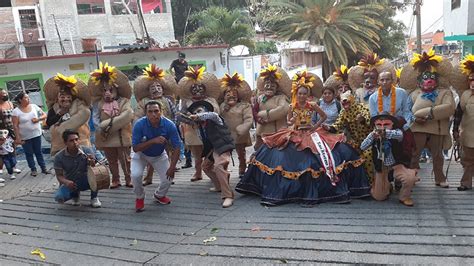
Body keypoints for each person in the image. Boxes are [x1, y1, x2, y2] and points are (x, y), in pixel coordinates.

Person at [236, 72, 370, 206]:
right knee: (281, 153)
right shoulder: (292, 106)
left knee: (324, 153)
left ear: (308, 94)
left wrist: (315, 126)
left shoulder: (312, 105)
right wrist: (292, 121)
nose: (302, 96)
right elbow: (288, 121)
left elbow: (323, 117)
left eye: (304, 93)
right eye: (299, 93)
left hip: (311, 132)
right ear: (296, 94)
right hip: (296, 132)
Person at [400, 49, 455, 188]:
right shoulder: (413, 94)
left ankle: (439, 178)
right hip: (417, 128)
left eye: (431, 78)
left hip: (437, 129)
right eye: (424, 78)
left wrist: (427, 112)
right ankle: (412, 177)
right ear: (419, 82)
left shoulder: (445, 92)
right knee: (415, 155)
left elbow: (449, 108)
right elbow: (407, 111)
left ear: (437, 80)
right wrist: (414, 118)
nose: (428, 80)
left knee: (437, 156)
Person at [131, 101, 182, 212]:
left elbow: (177, 146)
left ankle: (159, 195)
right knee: (136, 175)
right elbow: (135, 148)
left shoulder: (169, 125)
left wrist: (172, 167)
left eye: (156, 111)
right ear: (146, 113)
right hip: (141, 154)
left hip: (158, 155)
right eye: (150, 111)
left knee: (168, 178)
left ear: (161, 112)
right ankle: (140, 197)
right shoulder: (139, 124)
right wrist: (153, 141)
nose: (154, 114)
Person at [90, 62, 134, 189]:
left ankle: (128, 178)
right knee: (111, 160)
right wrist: (102, 128)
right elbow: (95, 119)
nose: (107, 93)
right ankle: (115, 179)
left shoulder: (124, 101)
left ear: (116, 90)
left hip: (122, 136)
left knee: (126, 159)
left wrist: (111, 124)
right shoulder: (98, 104)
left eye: (110, 90)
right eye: (104, 90)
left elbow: (127, 115)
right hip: (106, 137)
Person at [360, 113, 418, 206]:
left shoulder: (397, 132)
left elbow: (399, 135)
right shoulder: (373, 134)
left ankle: (404, 196)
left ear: (392, 124)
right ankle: (387, 186)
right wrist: (371, 136)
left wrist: (385, 132)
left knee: (409, 178)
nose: (382, 127)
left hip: (397, 165)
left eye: (386, 124)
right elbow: (362, 147)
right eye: (379, 124)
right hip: (382, 167)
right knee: (379, 197)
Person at [133, 64, 177, 186]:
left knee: (167, 154)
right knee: (150, 154)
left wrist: (174, 127)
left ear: (163, 89)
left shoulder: (168, 100)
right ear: (148, 91)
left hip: (166, 131)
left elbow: (174, 114)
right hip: (149, 132)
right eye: (152, 87)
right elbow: (138, 117)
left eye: (158, 86)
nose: (156, 89)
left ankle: (168, 174)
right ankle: (148, 176)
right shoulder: (143, 102)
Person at [186, 100, 235, 207]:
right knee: (206, 166)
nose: (196, 114)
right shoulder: (199, 127)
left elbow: (212, 115)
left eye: (199, 111)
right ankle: (218, 185)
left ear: (206, 111)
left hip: (222, 146)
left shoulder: (215, 118)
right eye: (194, 112)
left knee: (218, 166)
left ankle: (228, 195)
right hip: (212, 149)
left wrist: (198, 116)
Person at [177, 66, 221, 182]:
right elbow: (180, 115)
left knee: (210, 153)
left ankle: (213, 173)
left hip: (209, 130)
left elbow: (216, 111)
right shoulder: (187, 102)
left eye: (200, 88)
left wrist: (205, 117)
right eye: (194, 88)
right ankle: (198, 173)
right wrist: (191, 120)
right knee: (196, 155)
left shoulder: (211, 100)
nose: (197, 90)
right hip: (192, 130)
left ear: (205, 88)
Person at [323, 91, 374, 183]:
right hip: (355, 142)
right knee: (347, 155)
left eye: (347, 100)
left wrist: (362, 120)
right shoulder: (343, 112)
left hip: (368, 140)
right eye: (343, 100)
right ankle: (356, 183)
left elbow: (369, 121)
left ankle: (371, 182)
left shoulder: (362, 108)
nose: (344, 101)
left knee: (367, 155)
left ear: (352, 99)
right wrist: (328, 128)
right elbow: (337, 126)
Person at [44, 73, 91, 156]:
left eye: (68, 96)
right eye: (62, 96)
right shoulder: (54, 108)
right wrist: (60, 113)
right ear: (57, 98)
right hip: (59, 147)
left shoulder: (80, 106)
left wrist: (62, 127)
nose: (65, 99)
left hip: (80, 145)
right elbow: (49, 122)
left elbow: (85, 114)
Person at [53, 129, 101, 208]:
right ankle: (75, 196)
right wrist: (66, 182)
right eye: (71, 141)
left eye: (76, 139)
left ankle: (94, 197)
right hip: (71, 181)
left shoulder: (86, 150)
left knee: (97, 176)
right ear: (65, 143)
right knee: (59, 197)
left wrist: (92, 161)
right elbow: (59, 176)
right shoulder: (59, 157)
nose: (75, 142)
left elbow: (94, 168)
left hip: (86, 179)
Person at [219, 73, 253, 177]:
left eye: (234, 94)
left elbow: (249, 118)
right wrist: (224, 108)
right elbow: (218, 116)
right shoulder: (222, 106)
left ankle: (242, 169)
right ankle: (224, 170)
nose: (231, 95)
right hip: (226, 135)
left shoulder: (244, 106)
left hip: (240, 135)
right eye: (228, 94)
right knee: (224, 154)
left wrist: (243, 128)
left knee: (241, 154)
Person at [253, 64, 291, 150]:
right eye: (267, 85)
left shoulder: (281, 98)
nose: (269, 87)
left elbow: (283, 109)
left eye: (272, 86)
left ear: (276, 88)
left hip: (276, 132)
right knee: (260, 151)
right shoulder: (260, 97)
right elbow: (254, 110)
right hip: (262, 130)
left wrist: (264, 114)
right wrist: (257, 118)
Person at [12, 92, 50, 176]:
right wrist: (18, 138)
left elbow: (44, 115)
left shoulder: (34, 107)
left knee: (39, 152)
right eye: (26, 98)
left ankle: (43, 168)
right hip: (25, 137)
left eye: (28, 98)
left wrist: (38, 119)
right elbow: (15, 126)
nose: (28, 99)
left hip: (37, 134)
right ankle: (33, 169)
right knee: (29, 153)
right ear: (20, 100)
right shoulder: (16, 112)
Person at [452, 54, 474, 191]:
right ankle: (465, 183)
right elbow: (458, 114)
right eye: (471, 79)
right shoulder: (464, 95)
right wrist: (455, 130)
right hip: (468, 135)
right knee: (467, 160)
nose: (473, 82)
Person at [0, 88, 21, 175]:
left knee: (13, 148)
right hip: (2, 130)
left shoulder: (10, 103)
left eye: (5, 93)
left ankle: (14, 166)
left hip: (12, 129)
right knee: (2, 150)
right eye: (3, 94)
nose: (5, 95)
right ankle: (1, 168)